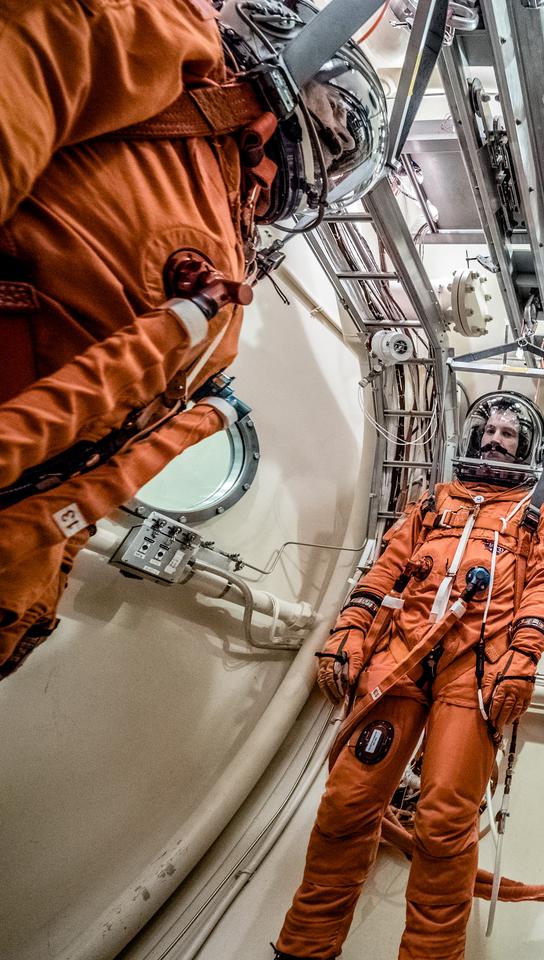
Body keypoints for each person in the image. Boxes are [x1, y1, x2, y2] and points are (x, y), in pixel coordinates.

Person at [0, 0, 387, 680]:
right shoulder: (165, 41)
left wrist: (40, 574)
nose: (330, 155)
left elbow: (105, 456)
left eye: (343, 150)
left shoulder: (231, 262)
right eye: (335, 129)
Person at [274, 391, 544, 960]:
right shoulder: (433, 503)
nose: (494, 440)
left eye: (509, 435)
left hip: (476, 671)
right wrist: (350, 629)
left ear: (527, 446)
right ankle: (304, 948)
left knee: (444, 821)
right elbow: (387, 566)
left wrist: (524, 657)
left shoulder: (539, 512)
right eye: (488, 431)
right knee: (346, 803)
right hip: (400, 658)